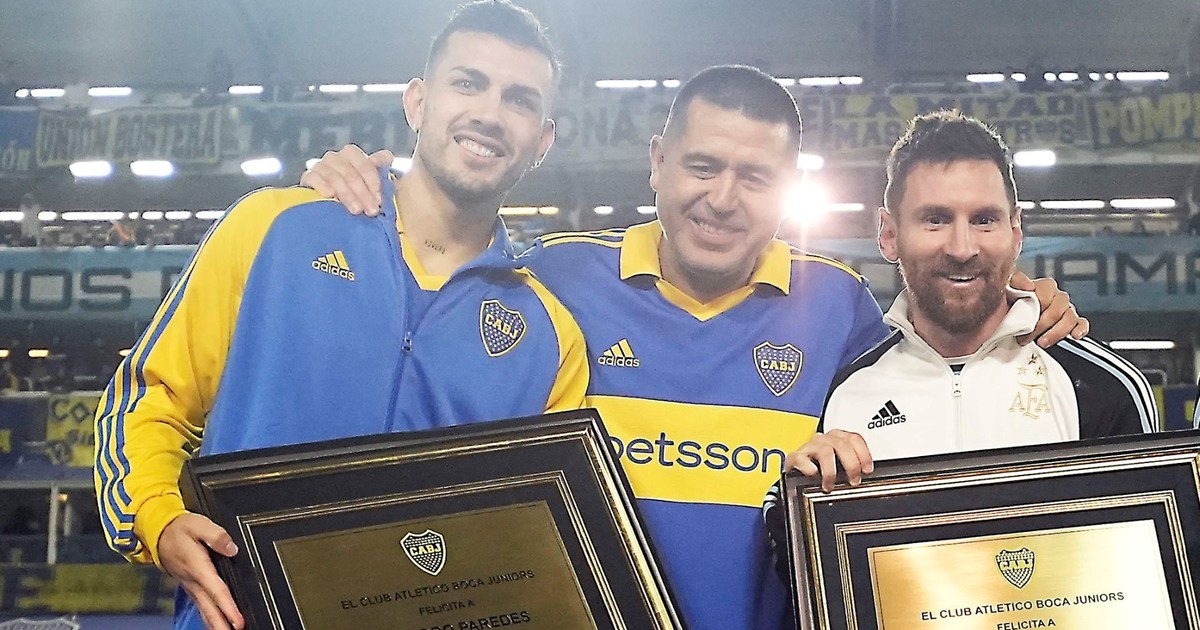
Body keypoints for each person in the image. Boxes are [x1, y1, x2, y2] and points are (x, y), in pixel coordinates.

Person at [303, 70, 1087, 628]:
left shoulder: (837, 303)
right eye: (702, 166)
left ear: (789, 186)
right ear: (657, 161)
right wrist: (356, 196)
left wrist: (1019, 300)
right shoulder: (555, 276)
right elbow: (420, 306)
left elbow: (944, 343)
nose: (721, 199)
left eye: (755, 177)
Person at [92, 4, 588, 630]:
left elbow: (536, 539)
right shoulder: (272, 228)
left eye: (519, 100)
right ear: (417, 102)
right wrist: (158, 518)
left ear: (543, 141)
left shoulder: (550, 336)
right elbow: (147, 400)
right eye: (468, 83)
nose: (489, 113)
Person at [765, 110, 1156, 504]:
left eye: (984, 220)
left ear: (1015, 233)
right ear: (889, 235)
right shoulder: (842, 395)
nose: (962, 249)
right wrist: (798, 497)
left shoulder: (1102, 387)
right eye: (935, 220)